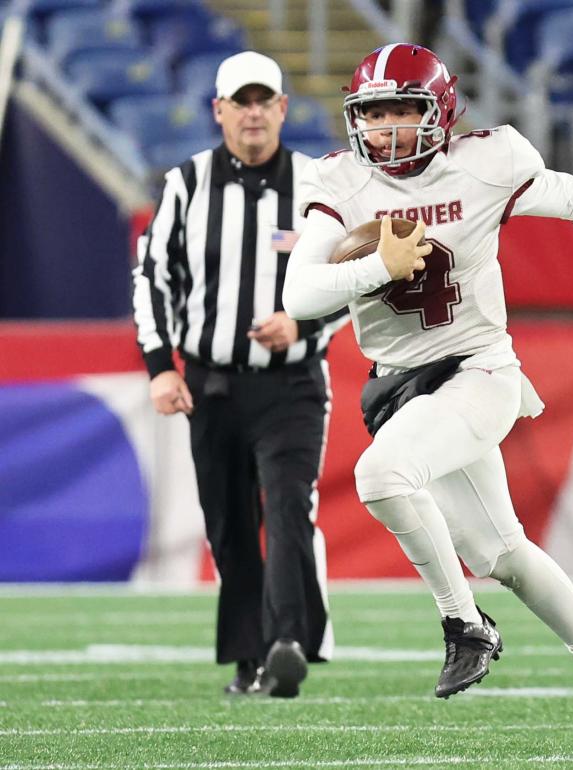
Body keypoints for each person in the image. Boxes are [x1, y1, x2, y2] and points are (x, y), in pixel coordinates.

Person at [283, 43, 573, 750]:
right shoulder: (339, 179)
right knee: (504, 555)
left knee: (380, 475)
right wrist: (376, 267)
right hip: (399, 387)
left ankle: (464, 623)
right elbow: (300, 292)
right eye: (373, 113)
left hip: (479, 368)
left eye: (403, 111)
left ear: (438, 112)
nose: (387, 129)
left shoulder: (485, 160)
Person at [132, 51, 342, 698]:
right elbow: (153, 276)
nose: (253, 113)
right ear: (219, 110)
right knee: (227, 521)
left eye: (264, 101)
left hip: (292, 383)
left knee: (285, 505)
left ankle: (285, 644)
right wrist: (159, 368)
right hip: (212, 383)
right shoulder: (185, 184)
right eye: (240, 102)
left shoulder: (317, 184)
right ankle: (250, 656)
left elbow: (350, 281)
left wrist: (300, 326)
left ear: (283, 108)